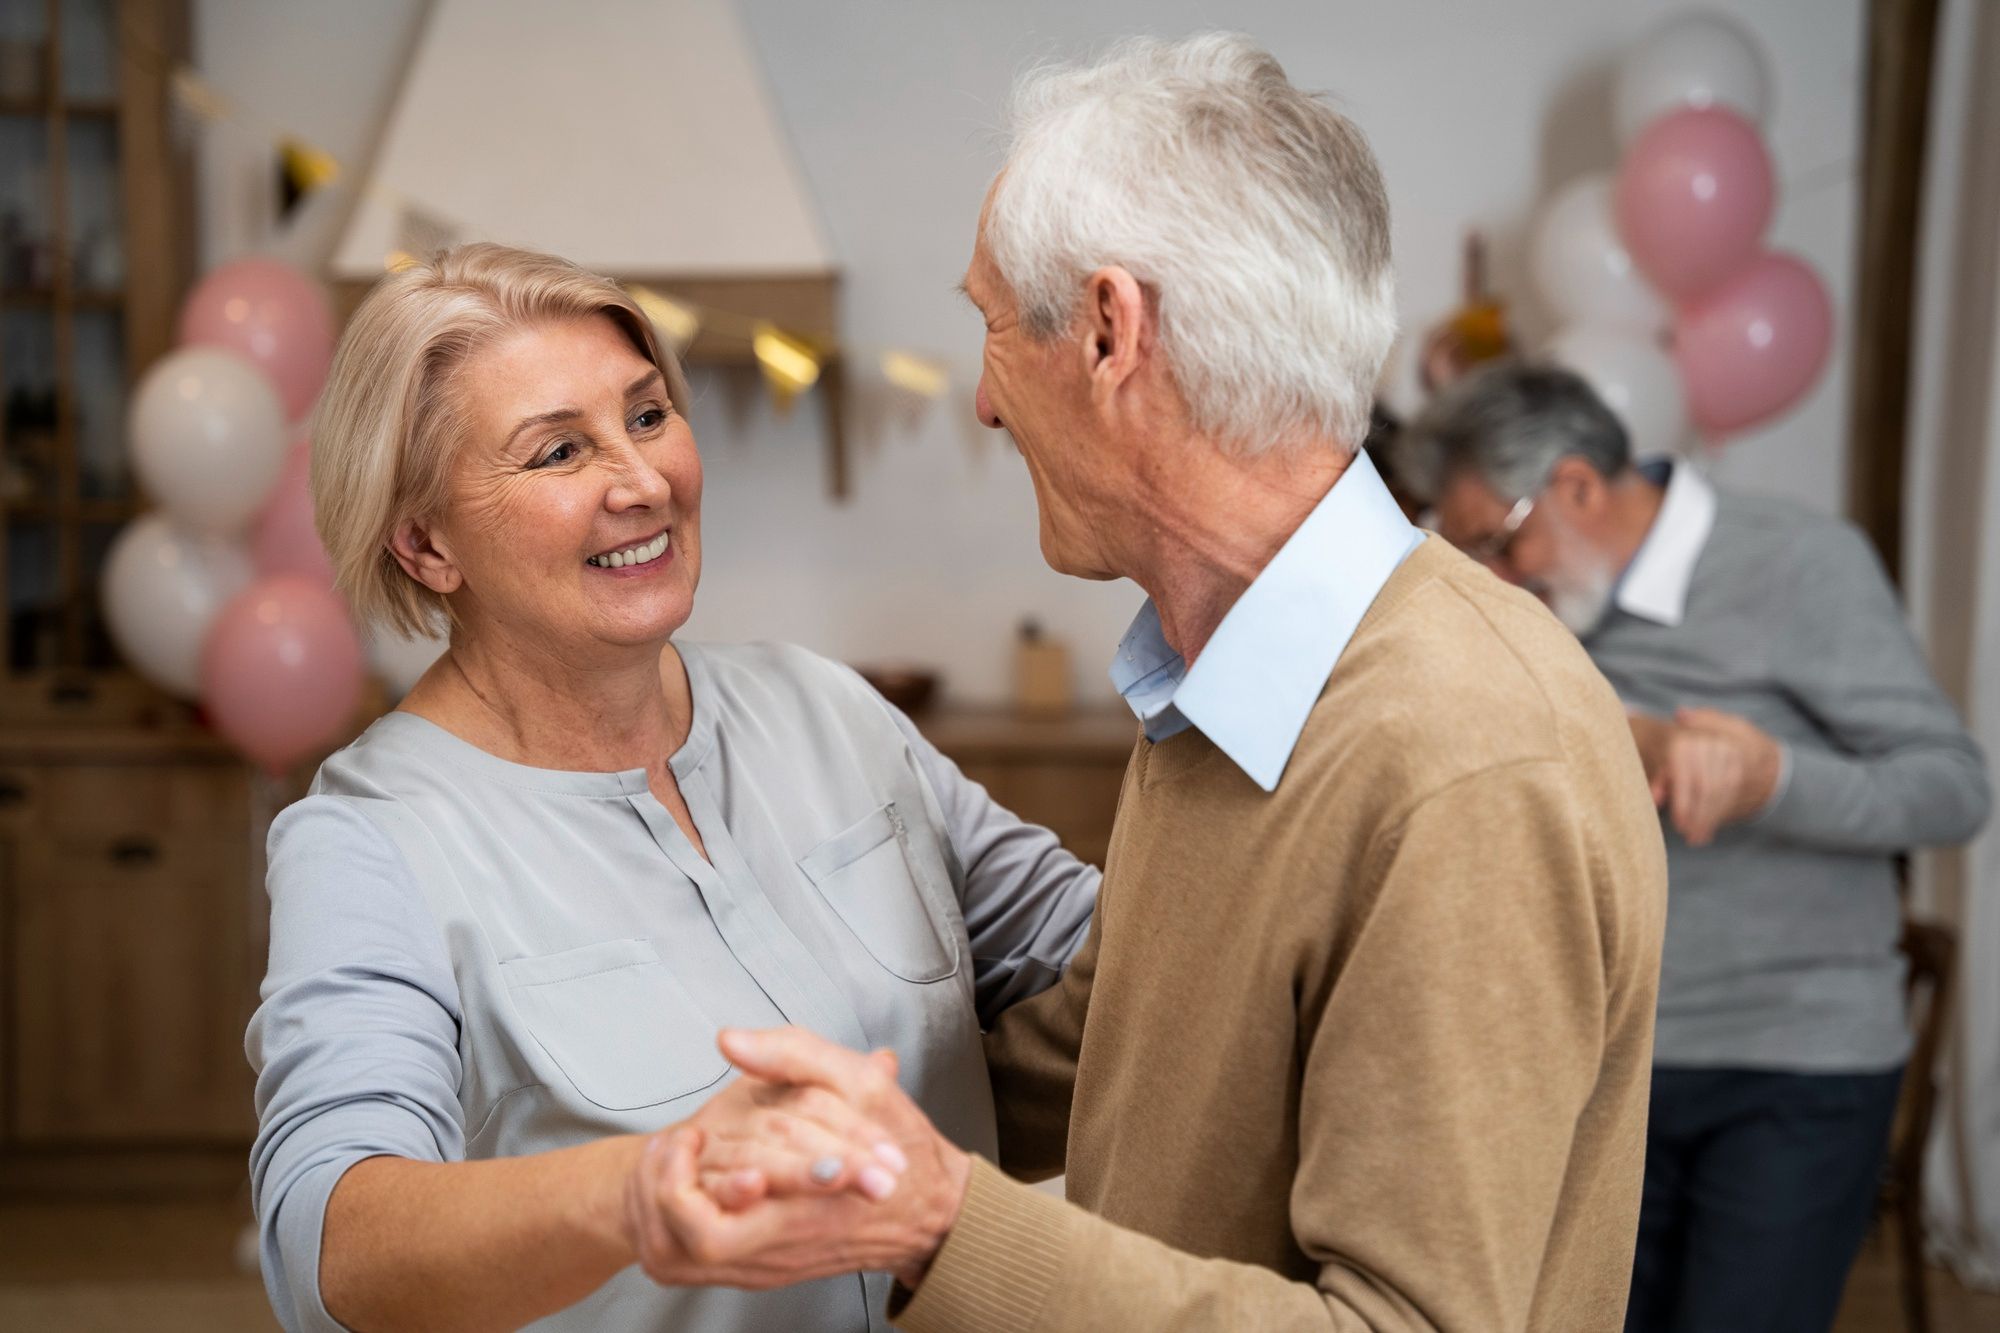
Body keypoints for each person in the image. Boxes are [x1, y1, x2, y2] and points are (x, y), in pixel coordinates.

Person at [630, 33, 1670, 1331]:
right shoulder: (1226, 683)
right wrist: (796, 1127)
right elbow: (1134, 1043)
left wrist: (939, 1218)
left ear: (1113, 332)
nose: (985, 407)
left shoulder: (1462, 759)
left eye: (992, 327)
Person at [245, 242, 1100, 1332]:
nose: (642, 481)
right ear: (424, 545)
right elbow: (329, 1241)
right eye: (557, 452)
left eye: (647, 417)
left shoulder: (823, 706)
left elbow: (1098, 958)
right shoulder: (371, 839)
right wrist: (640, 1191)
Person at [1394, 361, 1992, 1333]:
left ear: (1577, 484)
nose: (1492, 583)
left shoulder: (1798, 562)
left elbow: (1949, 787)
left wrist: (1772, 780)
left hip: (1787, 1062)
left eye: (1495, 545)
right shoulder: (1534, 613)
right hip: (1597, 1067)